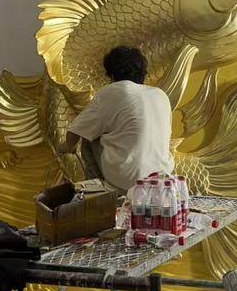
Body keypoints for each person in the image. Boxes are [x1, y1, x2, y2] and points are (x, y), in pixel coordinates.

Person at [58, 46, 174, 191]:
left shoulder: (113, 91)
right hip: (162, 176)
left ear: (112, 75)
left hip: (128, 180)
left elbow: (76, 132)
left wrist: (67, 146)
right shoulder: (160, 95)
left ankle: (99, 193)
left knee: (89, 138)